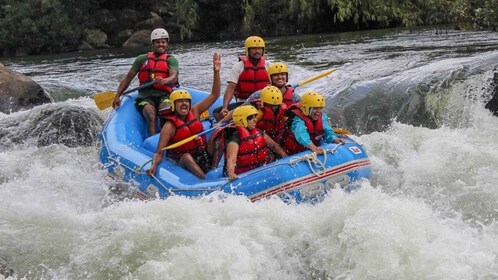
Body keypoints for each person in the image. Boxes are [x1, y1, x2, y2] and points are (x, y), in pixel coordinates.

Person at [145, 53, 221, 179]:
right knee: (186, 157)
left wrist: (216, 72)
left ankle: (214, 170)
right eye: (180, 101)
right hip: (184, 163)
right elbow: (159, 153)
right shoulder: (169, 126)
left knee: (219, 134)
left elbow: (215, 95)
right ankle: (205, 181)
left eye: (186, 101)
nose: (184, 103)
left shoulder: (195, 112)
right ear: (173, 105)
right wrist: (153, 165)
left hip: (202, 155)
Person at [112, 28, 179, 136]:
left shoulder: (171, 60)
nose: (161, 44)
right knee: (151, 114)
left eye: (163, 42)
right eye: (158, 42)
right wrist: (117, 95)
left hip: (165, 95)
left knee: (165, 110)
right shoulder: (141, 59)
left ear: (167, 43)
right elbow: (127, 78)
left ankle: (167, 140)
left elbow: (173, 77)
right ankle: (152, 143)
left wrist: (164, 81)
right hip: (145, 96)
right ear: (153, 43)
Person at [213, 36, 270, 121]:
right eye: (254, 49)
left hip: (263, 103)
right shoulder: (238, 66)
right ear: (248, 50)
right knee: (217, 112)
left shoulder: (269, 66)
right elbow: (231, 88)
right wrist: (225, 107)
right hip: (243, 103)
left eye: (259, 48)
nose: (257, 51)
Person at [224, 105, 288, 181]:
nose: (255, 120)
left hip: (262, 168)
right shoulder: (234, 138)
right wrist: (231, 173)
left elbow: (273, 145)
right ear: (242, 119)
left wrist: (286, 157)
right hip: (244, 174)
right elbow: (231, 159)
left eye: (255, 117)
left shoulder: (258, 132)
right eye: (251, 117)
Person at [282, 91, 345, 155]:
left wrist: (333, 138)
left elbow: (327, 130)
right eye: (315, 108)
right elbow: (301, 134)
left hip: (309, 147)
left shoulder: (322, 117)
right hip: (293, 152)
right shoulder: (298, 120)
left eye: (321, 108)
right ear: (306, 108)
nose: (318, 111)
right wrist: (311, 146)